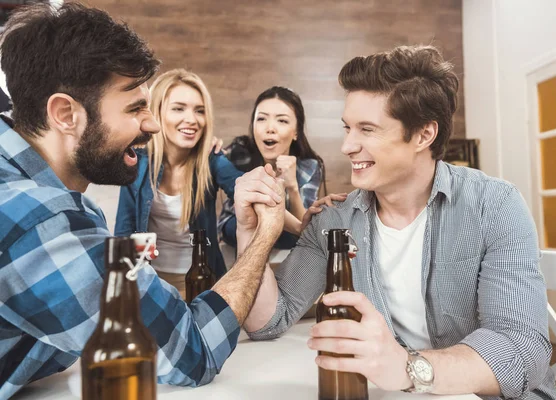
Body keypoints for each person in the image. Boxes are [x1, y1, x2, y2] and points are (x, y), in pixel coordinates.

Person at [236, 45, 556, 399]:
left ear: (424, 135)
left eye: (367, 129)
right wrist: (251, 231)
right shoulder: (333, 221)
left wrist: (409, 367)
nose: (347, 145)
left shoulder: (495, 207)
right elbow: (267, 321)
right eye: (347, 128)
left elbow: (521, 349)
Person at [0, 4, 284, 399]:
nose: (150, 124)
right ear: (65, 113)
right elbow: (192, 351)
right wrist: (261, 238)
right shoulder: (39, 221)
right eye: (135, 108)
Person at [115, 69, 242, 291]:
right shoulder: (136, 162)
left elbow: (249, 189)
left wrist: (299, 224)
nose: (192, 119)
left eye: (199, 111)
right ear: (157, 113)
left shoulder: (211, 161)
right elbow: (124, 233)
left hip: (203, 281)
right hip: (150, 281)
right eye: (178, 108)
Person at [219, 86, 325, 249]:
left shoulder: (309, 166)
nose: (270, 128)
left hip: (285, 236)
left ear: (296, 131)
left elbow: (304, 228)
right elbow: (211, 161)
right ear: (253, 126)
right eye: (261, 119)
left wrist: (292, 187)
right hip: (235, 227)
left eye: (282, 120)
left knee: (291, 234)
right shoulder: (238, 153)